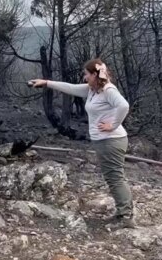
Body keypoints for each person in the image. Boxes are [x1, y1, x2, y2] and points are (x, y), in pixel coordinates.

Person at [29, 58, 135, 229]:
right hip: (104, 141)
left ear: (95, 74)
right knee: (113, 177)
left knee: (115, 178)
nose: (84, 77)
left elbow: (124, 106)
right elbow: (70, 88)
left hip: (112, 141)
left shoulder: (108, 90)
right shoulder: (93, 90)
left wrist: (113, 124)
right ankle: (123, 212)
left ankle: (126, 216)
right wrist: (46, 83)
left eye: (86, 74)